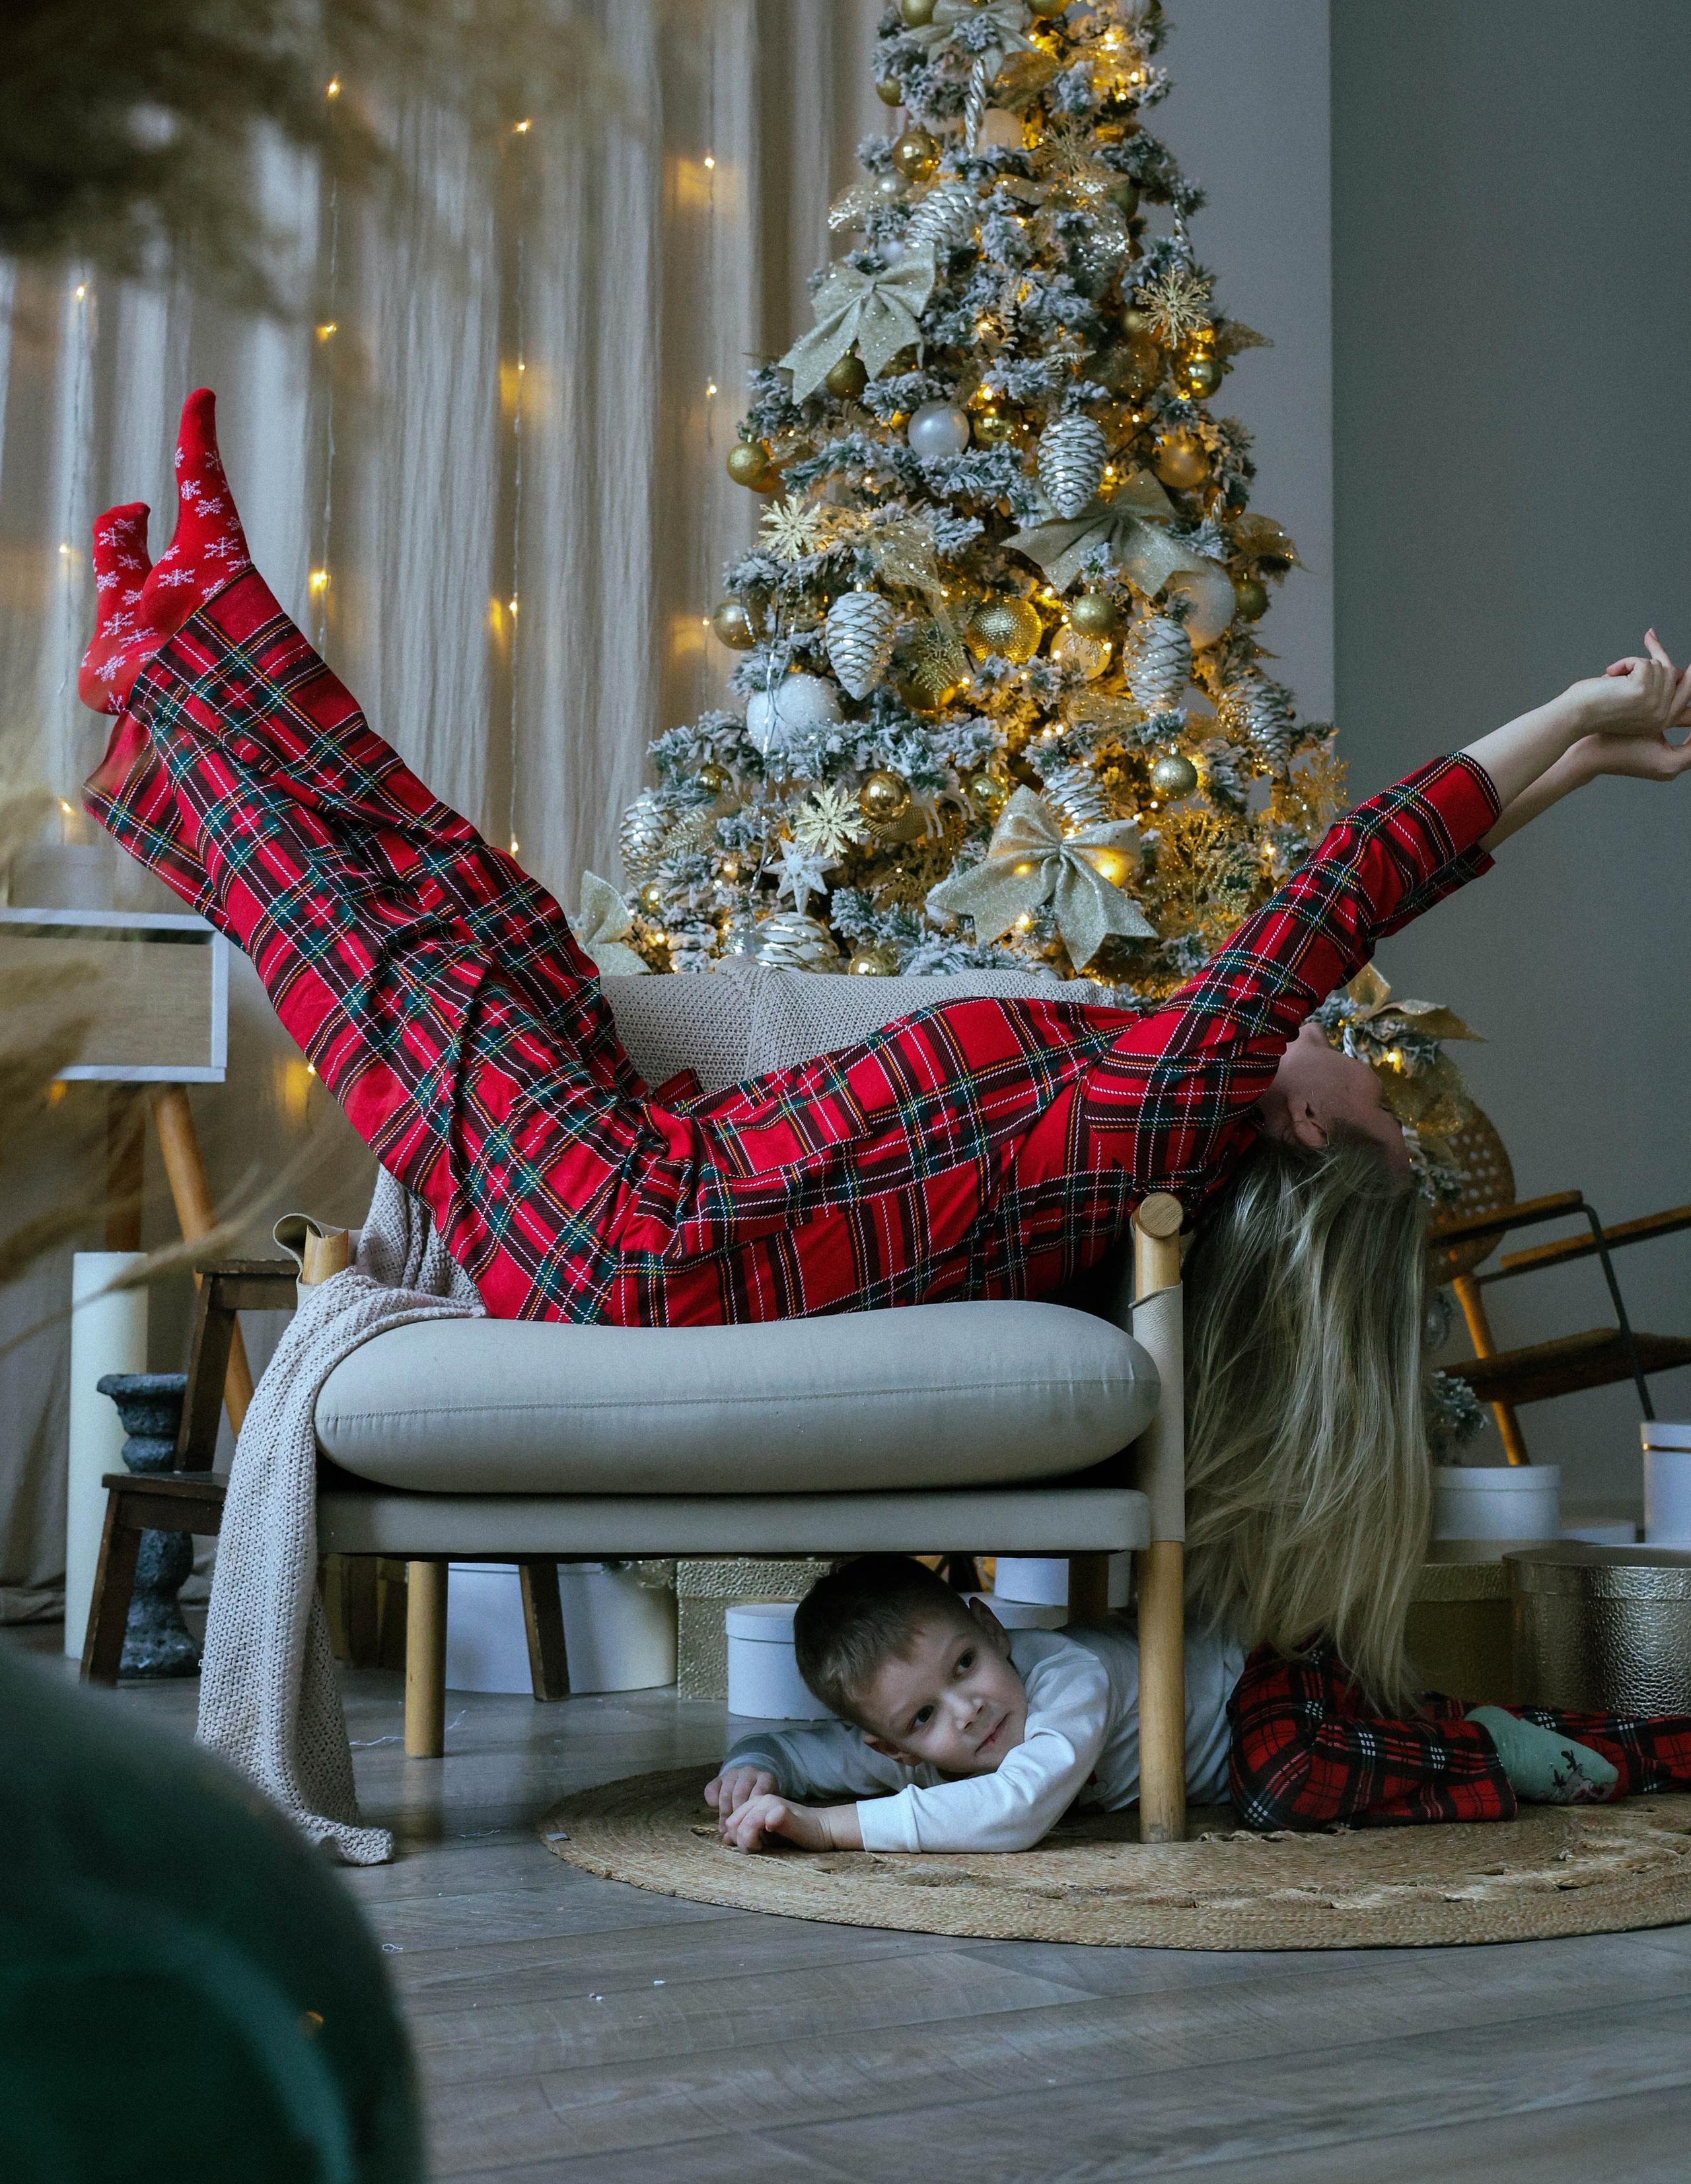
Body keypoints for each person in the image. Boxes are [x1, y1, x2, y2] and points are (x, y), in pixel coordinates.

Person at [76, 392, 1690, 1679]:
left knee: (388, 951)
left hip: (627, 1224)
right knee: (487, 921)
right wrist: (1592, 767)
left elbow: (1356, 878)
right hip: (638, 1187)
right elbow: (1392, 884)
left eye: (1381, 1105)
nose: (1366, 1061)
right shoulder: (1153, 1113)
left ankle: (171, 669)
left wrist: (1565, 708)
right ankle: (200, 639)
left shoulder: (1169, 1113)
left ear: (1306, 1132)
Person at [705, 1557, 1691, 1848]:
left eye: (965, 1665)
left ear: (992, 1627)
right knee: (1300, 1777)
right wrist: (759, 1768)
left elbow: (1010, 1815)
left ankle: (1482, 1744)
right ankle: (1457, 1735)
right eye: (922, 1719)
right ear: (896, 1745)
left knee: (1287, 1783)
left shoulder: (1063, 1681)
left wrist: (832, 1832)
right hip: (1283, 1722)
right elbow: (806, 1751)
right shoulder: (918, 1741)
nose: (965, 1713)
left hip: (1271, 1671)